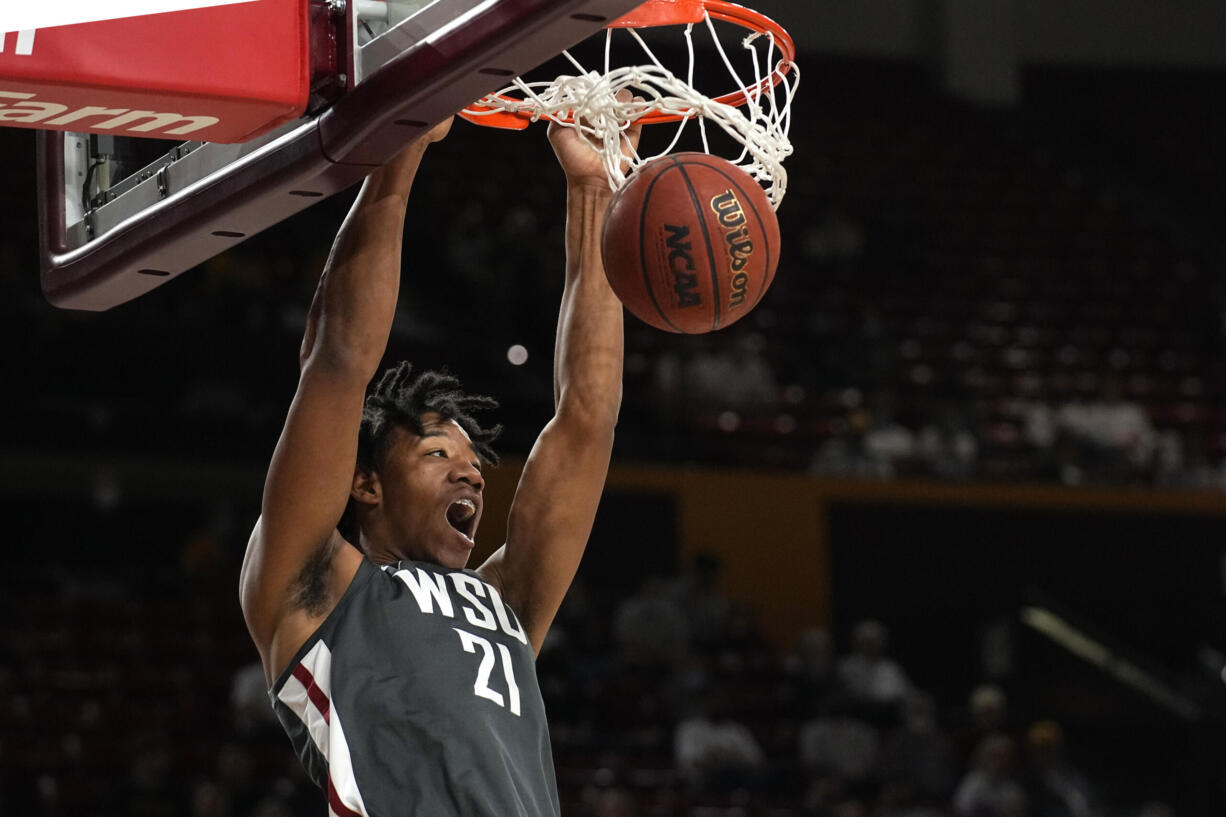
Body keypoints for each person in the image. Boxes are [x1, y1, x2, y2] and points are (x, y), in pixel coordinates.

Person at [238, 109, 640, 817]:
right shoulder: (314, 590)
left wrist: (596, 189)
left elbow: (586, 419)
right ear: (364, 484)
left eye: (471, 458)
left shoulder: (504, 603)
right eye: (436, 452)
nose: (471, 471)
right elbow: (336, 360)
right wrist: (401, 144)